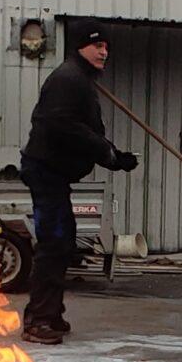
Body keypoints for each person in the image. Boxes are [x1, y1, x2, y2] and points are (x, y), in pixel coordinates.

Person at [18, 21, 139, 345]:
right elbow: (61, 125)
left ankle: (50, 313)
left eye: (107, 48)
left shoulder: (80, 79)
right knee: (54, 243)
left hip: (53, 174)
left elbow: (83, 133)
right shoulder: (68, 79)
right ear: (81, 47)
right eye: (97, 46)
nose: (104, 52)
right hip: (45, 172)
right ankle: (38, 320)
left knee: (62, 241)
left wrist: (114, 158)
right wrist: (106, 151)